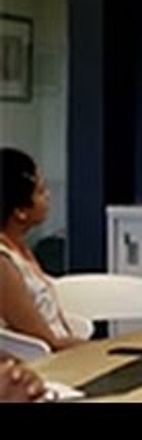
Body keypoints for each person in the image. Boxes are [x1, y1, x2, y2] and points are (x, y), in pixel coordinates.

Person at [0, 147, 85, 351]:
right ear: (20, 211)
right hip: (45, 362)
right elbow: (46, 342)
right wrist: (101, 349)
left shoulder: (20, 248)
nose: (48, 196)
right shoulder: (4, 264)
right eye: (40, 191)